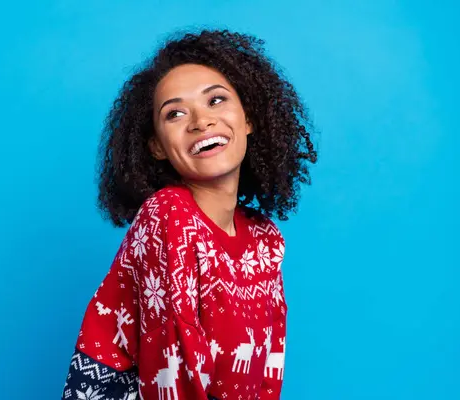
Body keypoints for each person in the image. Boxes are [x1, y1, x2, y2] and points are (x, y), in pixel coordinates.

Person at [61, 29, 317, 400]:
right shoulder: (168, 215)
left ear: (248, 119)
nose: (201, 121)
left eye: (216, 100)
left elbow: (269, 361)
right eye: (175, 113)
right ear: (157, 147)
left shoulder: (265, 240)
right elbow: (170, 367)